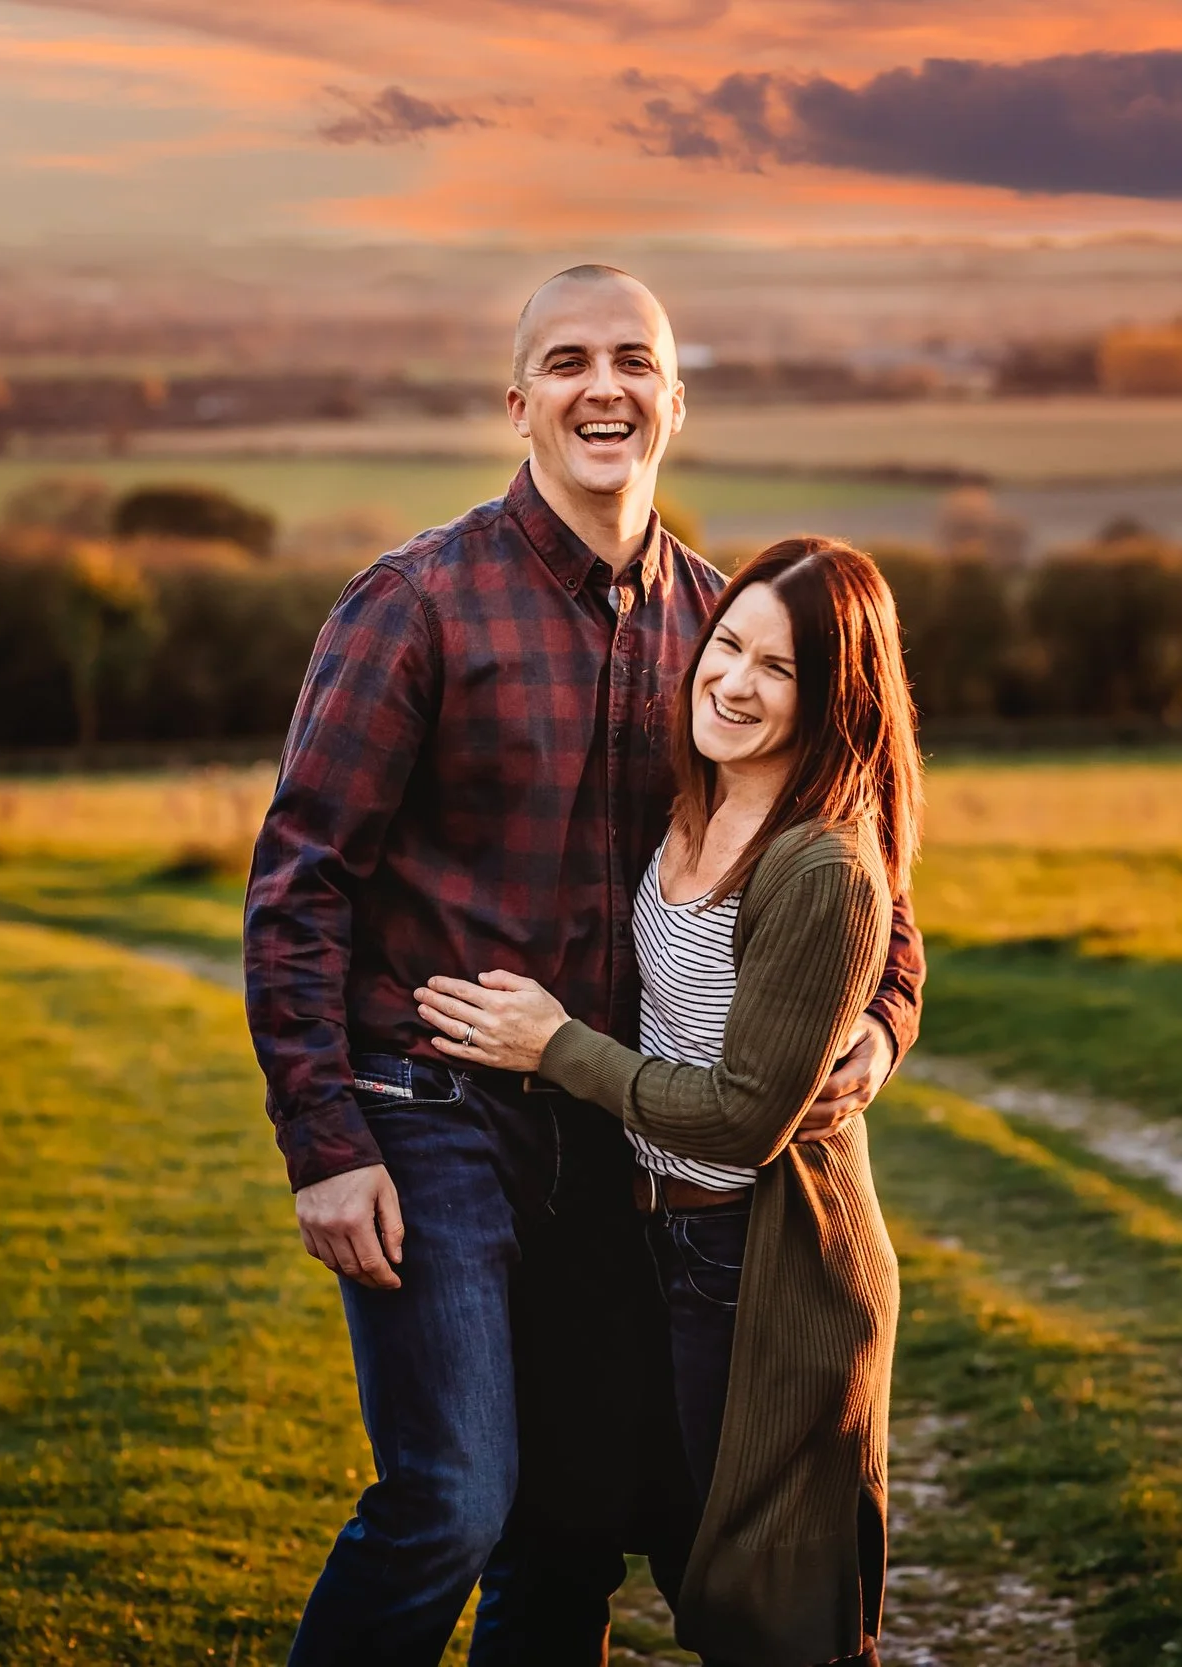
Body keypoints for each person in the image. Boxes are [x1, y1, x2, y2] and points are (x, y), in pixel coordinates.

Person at [243, 267, 926, 1666]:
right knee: (450, 1495)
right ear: (518, 404)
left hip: (619, 1132)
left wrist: (884, 1013)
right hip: (433, 1110)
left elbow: (859, 843)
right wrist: (325, 1142)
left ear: (676, 399)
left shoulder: (725, 628)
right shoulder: (414, 607)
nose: (601, 385)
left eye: (633, 359)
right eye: (566, 361)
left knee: (570, 1522)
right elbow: (300, 880)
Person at [419, 536, 918, 1667]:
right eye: (726, 646)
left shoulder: (823, 866)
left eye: (778, 669)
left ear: (837, 696)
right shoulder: (688, 793)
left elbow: (747, 1116)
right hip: (649, 1231)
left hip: (755, 1255)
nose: (733, 682)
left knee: (772, 1607)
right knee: (658, 1551)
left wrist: (555, 1047)